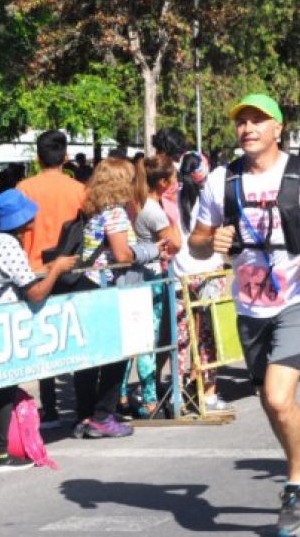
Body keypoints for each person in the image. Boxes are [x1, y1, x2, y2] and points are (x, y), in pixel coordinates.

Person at [188, 93, 300, 535]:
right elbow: (196, 240)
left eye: (257, 121)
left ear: (278, 129)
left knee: (280, 397)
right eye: (241, 121)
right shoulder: (221, 181)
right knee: (269, 400)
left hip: (298, 295)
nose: (247, 128)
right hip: (249, 303)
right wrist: (214, 243)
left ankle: (298, 480)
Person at [0, 190, 77, 471]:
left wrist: (47, 267)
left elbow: (21, 275)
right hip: (4, 322)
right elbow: (36, 293)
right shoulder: (8, 245)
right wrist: (56, 270)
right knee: (4, 388)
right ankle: (0, 455)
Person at [70, 157, 154, 439]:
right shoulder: (115, 213)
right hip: (106, 288)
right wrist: (148, 251)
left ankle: (85, 414)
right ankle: (103, 415)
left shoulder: (93, 210)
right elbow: (121, 255)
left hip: (85, 284)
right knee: (116, 354)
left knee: (89, 357)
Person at [16, 130, 87, 429]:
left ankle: (50, 407)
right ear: (66, 157)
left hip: (33, 271)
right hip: (70, 269)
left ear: (37, 158)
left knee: (42, 341)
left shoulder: (23, 188)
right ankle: (83, 407)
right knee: (76, 337)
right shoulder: (78, 189)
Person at [172, 151, 230, 413]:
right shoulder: (212, 198)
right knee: (208, 335)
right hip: (209, 273)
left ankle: (179, 395)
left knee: (182, 338)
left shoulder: (172, 199)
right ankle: (208, 393)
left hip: (180, 275)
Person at [125, 155, 182, 418]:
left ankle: (123, 393)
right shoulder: (154, 210)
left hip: (130, 277)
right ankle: (150, 399)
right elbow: (175, 244)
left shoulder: (132, 202)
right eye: (172, 177)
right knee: (148, 338)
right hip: (151, 278)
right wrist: (173, 213)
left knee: (130, 340)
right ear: (162, 182)